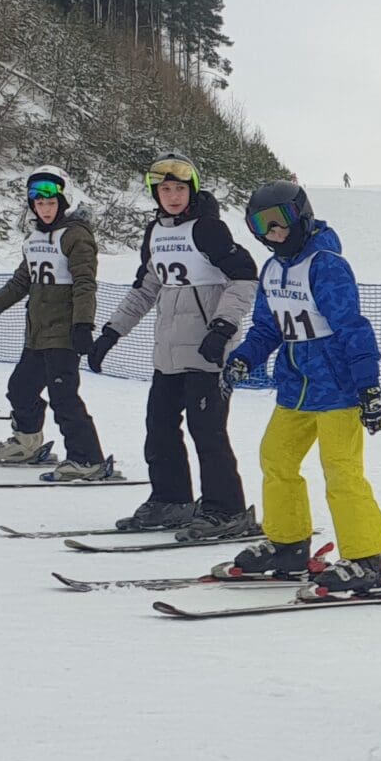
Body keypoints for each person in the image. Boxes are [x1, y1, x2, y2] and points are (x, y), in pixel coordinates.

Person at [222, 183, 381, 597]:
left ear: (299, 216)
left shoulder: (326, 265)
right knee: (276, 458)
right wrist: (244, 358)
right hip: (295, 387)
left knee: (341, 470)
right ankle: (288, 545)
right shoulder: (271, 269)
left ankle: (364, 559)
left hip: (337, 388)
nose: (272, 233)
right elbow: (268, 327)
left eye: (279, 221)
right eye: (260, 225)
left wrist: (368, 389)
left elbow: (353, 327)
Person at [89, 152, 261, 535]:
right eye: (164, 189)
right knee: (159, 427)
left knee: (207, 431)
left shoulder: (208, 229)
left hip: (208, 351)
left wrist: (221, 329)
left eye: (179, 188)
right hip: (168, 352)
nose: (172, 196)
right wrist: (111, 332)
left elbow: (245, 278)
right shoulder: (156, 233)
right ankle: (171, 501)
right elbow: (146, 289)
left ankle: (226, 509)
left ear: (192, 189)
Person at [0, 168, 114, 480]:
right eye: (38, 204)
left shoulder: (75, 236)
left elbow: (84, 284)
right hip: (37, 334)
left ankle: (88, 458)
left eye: (50, 203)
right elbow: (21, 281)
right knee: (20, 389)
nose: (44, 209)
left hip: (63, 334)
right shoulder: (34, 238)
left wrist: (83, 326)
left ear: (63, 202)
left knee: (63, 398)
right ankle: (27, 442)